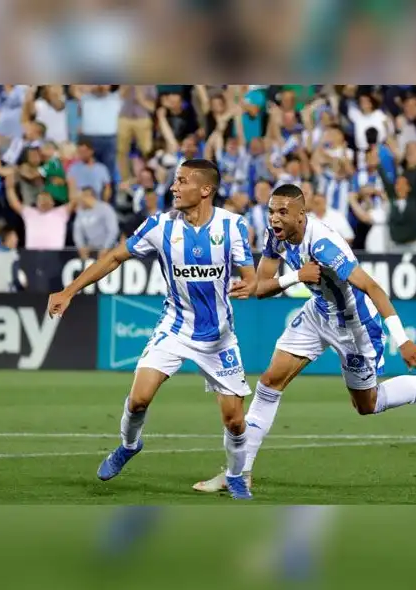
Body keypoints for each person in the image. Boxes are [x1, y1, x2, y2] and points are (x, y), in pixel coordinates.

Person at [193, 183, 416, 493]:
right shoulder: (276, 237)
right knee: (268, 384)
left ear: (301, 215)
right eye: (272, 212)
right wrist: (296, 277)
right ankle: (240, 472)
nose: (274, 219)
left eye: (282, 213)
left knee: (367, 405)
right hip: (318, 313)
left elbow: (373, 288)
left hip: (354, 326)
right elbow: (259, 288)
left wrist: (403, 340)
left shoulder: (324, 246)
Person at [47, 159, 259, 500]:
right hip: (174, 330)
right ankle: (128, 445)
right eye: (174, 181)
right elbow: (115, 257)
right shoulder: (160, 226)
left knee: (235, 421)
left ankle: (235, 475)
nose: (173, 187)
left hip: (219, 339)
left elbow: (252, 278)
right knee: (139, 399)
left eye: (182, 181)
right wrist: (69, 291)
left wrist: (249, 286)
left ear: (205, 189)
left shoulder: (233, 226)